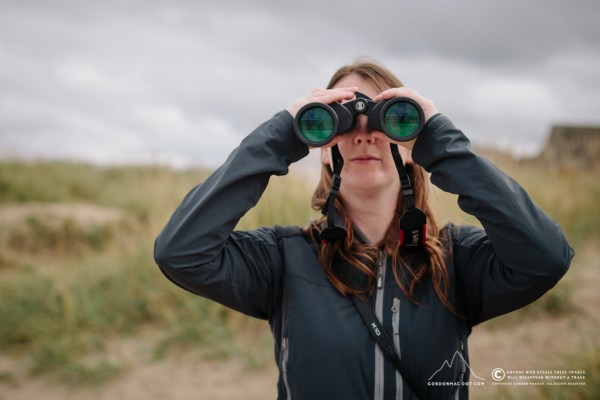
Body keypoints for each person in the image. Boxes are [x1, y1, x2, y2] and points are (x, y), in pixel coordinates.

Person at [153, 59, 574, 399]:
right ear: (321, 151)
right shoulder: (283, 258)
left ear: (410, 148)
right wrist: (283, 133)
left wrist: (441, 142)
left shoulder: (456, 259)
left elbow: (546, 257)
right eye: (339, 122)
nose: (363, 134)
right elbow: (180, 253)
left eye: (383, 117)